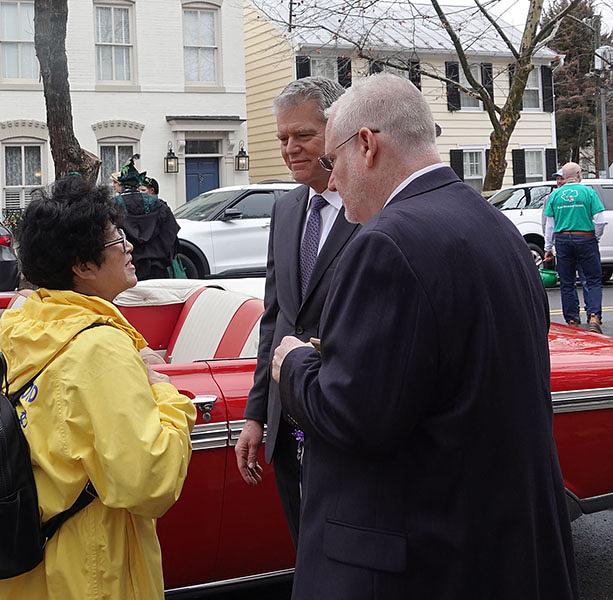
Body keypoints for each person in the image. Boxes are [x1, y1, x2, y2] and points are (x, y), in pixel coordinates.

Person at [272, 74, 576, 599]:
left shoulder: (387, 243)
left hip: (415, 559)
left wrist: (295, 365)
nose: (334, 182)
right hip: (497, 544)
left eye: (332, 161)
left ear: (366, 145)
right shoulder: (494, 224)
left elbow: (355, 415)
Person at [0, 176, 195, 599]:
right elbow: (147, 481)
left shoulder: (23, 324)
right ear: (83, 266)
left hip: (22, 557)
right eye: (116, 237)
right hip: (89, 570)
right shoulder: (100, 346)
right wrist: (164, 393)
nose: (130, 245)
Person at [233, 77, 359, 543]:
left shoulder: (373, 212)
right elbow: (276, 318)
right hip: (286, 429)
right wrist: (257, 413)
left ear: (338, 129)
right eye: (282, 138)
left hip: (343, 424)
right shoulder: (287, 209)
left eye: (303, 135)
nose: (290, 149)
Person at [544, 161, 606, 333]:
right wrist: (595, 236)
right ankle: (594, 316)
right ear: (578, 174)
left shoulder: (555, 195)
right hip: (585, 238)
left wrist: (548, 247)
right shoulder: (588, 192)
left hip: (562, 240)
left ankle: (572, 320)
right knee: (592, 279)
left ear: (564, 176)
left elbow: (550, 225)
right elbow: (600, 220)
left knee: (567, 282)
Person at [113, 158, 181, 280]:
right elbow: (171, 234)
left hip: (125, 268)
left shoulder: (113, 206)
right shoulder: (159, 205)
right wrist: (163, 256)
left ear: (122, 184)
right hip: (157, 266)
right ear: (138, 183)